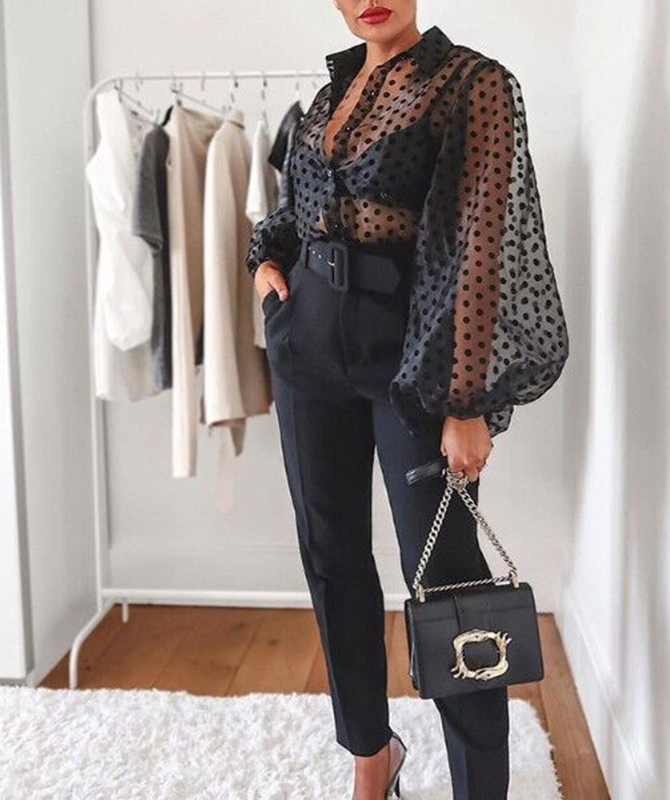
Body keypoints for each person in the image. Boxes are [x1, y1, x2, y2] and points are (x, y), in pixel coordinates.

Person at [245, 3, 569, 798]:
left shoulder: (472, 83)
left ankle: (478, 787)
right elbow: (297, 208)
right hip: (308, 346)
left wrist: (467, 401)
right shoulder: (332, 94)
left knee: (450, 579)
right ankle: (370, 754)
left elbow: (482, 247)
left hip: (415, 359)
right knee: (330, 554)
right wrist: (267, 265)